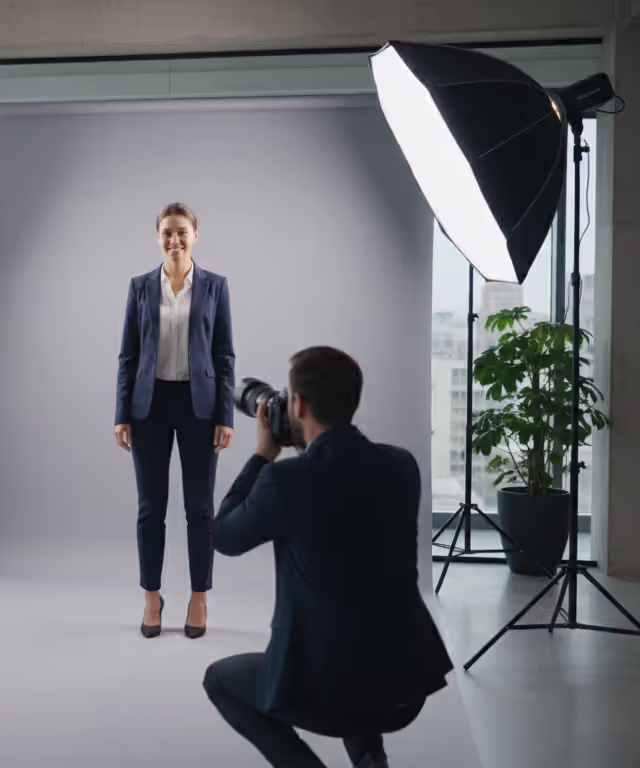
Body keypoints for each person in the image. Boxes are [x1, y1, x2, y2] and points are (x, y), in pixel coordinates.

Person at [203, 347, 453, 768]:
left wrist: (263, 455)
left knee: (221, 680)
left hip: (330, 694)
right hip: (404, 685)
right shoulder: (401, 466)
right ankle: (371, 761)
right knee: (352, 631)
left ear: (297, 404)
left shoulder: (283, 482)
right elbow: (337, 489)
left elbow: (224, 535)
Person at [114, 201, 235, 639]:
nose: (175, 239)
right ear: (158, 236)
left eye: (182, 231)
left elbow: (224, 355)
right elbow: (128, 354)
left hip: (199, 408)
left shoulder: (216, 287)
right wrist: (121, 413)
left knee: (200, 510)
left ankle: (199, 597)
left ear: (196, 234)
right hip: (149, 407)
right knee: (151, 510)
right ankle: (152, 597)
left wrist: (226, 415)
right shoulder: (140, 287)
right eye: (167, 232)